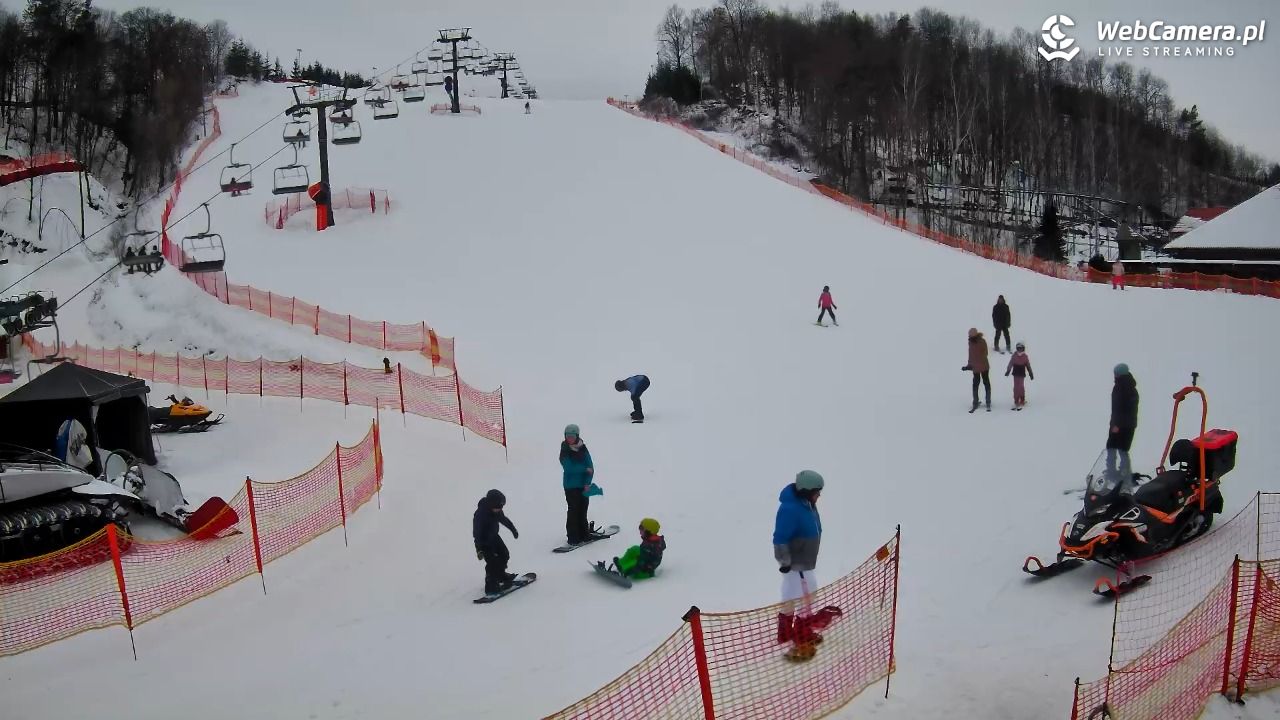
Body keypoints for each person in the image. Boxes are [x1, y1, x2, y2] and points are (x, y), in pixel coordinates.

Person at [773, 470, 826, 659]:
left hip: (803, 559)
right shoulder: (791, 509)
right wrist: (785, 561)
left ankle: (785, 632)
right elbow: (780, 538)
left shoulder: (806, 504)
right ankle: (802, 634)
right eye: (816, 491)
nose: (819, 495)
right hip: (797, 563)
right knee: (808, 594)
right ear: (805, 491)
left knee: (789, 593)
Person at [473, 489, 519, 596]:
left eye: (501, 507)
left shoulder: (496, 510)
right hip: (484, 542)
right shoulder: (480, 515)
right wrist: (478, 548)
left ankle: (501, 575)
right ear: (491, 504)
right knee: (492, 563)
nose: (500, 509)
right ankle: (490, 586)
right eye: (498, 507)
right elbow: (477, 533)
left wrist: (513, 529)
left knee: (504, 554)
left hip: (494, 537)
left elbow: (503, 519)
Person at [560, 424, 597, 545]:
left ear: (577, 436)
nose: (569, 439)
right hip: (571, 486)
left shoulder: (583, 449)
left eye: (571, 436)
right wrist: (584, 469)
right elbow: (569, 468)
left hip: (584, 486)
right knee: (573, 511)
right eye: (567, 436)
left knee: (583, 510)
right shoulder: (565, 450)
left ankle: (584, 534)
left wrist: (587, 482)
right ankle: (573, 537)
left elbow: (590, 467)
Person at [1107, 364, 1139, 479]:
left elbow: (1121, 409)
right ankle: (1121, 472)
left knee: (1115, 448)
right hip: (1126, 424)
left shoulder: (1123, 388)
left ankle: (1119, 474)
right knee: (1120, 449)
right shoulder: (1127, 386)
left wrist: (1116, 425)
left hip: (1122, 425)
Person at [962, 328, 991, 412]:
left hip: (982, 366)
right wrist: (969, 364)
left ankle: (986, 401)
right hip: (977, 367)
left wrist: (975, 362)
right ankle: (977, 401)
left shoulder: (981, 341)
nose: (969, 336)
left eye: (970, 335)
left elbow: (985, 353)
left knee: (983, 383)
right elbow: (970, 355)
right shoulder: (971, 342)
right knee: (979, 384)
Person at [1005, 342, 1034, 409]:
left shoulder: (1025, 356)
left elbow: (1028, 365)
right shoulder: (1014, 356)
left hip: (1021, 374)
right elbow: (1011, 363)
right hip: (1015, 373)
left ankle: (1022, 399)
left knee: (1021, 386)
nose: (1020, 350)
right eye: (1019, 349)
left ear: (1023, 349)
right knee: (1016, 387)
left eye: (1021, 349)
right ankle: (1016, 400)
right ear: (1017, 349)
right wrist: (1008, 370)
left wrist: (1030, 373)